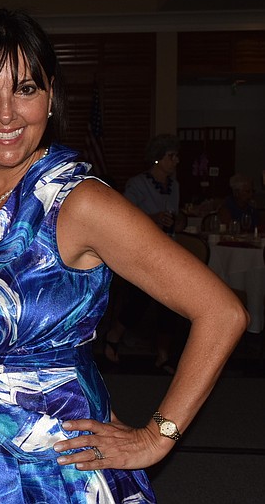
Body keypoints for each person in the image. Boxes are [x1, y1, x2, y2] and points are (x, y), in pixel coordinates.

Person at [0, 9, 247, 503]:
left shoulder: (79, 201)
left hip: (50, 469)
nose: (6, 114)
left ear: (50, 96)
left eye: (26, 90)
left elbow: (222, 312)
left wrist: (156, 438)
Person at [104, 135, 183, 372]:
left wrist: (177, 223)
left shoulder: (175, 186)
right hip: (141, 252)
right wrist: (153, 219)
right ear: (158, 159)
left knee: (170, 304)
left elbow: (174, 216)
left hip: (168, 251)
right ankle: (114, 337)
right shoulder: (137, 184)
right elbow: (124, 217)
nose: (177, 161)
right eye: (172, 156)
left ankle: (162, 353)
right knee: (139, 301)